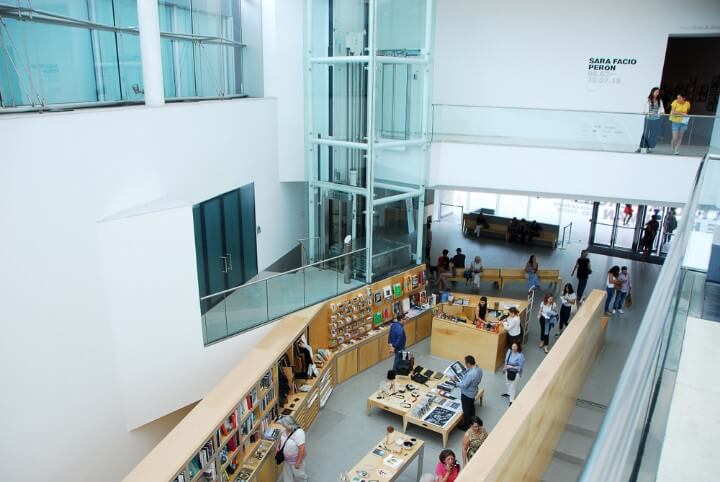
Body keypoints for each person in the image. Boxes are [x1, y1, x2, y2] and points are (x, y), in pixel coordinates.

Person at [277, 415, 308, 481]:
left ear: (289, 424)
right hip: (286, 459)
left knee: (299, 474)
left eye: (284, 425)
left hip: (295, 460)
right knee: (287, 474)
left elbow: (302, 448)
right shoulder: (284, 430)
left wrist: (298, 462)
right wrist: (278, 447)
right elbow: (282, 440)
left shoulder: (299, 433)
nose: (283, 426)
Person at [456, 355, 482, 430]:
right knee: (471, 406)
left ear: (468, 364)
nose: (465, 365)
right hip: (473, 391)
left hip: (467, 394)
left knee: (466, 410)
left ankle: (466, 426)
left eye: (465, 363)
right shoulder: (479, 369)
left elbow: (464, 385)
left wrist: (455, 382)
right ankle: (473, 420)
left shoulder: (471, 374)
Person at [636, 87, 665, 153]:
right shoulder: (647, 99)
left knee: (652, 134)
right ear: (652, 92)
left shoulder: (659, 100)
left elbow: (662, 109)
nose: (657, 93)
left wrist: (662, 112)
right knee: (645, 133)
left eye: (658, 92)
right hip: (648, 119)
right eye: (656, 92)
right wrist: (647, 113)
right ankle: (640, 147)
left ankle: (648, 148)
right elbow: (643, 110)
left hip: (656, 119)